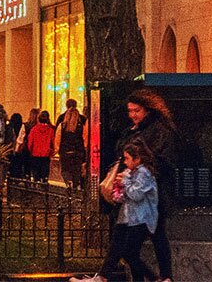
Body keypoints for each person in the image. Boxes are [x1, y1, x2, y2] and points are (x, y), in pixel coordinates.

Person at [74, 141, 160, 282]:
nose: (124, 162)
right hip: (130, 218)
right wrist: (118, 190)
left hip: (140, 219)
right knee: (129, 252)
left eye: (127, 158)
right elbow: (127, 196)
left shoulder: (144, 173)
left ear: (137, 159)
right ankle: (144, 279)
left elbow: (136, 195)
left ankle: (153, 278)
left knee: (129, 253)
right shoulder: (133, 172)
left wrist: (125, 182)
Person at [122, 88, 177, 281]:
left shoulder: (159, 130)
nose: (133, 115)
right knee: (152, 239)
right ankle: (162, 277)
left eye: (136, 111)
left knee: (140, 243)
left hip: (152, 195)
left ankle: (160, 277)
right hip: (146, 196)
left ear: (148, 110)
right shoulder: (137, 130)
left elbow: (160, 160)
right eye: (130, 111)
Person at [57, 100, 86, 191]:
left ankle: (69, 182)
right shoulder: (82, 122)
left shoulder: (62, 124)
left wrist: (57, 150)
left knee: (65, 170)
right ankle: (75, 185)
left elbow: (57, 138)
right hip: (78, 151)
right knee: (76, 170)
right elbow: (85, 138)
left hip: (65, 151)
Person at [26, 108, 56, 181]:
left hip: (35, 154)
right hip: (46, 154)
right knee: (44, 172)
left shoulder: (34, 129)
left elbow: (30, 142)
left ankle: (37, 184)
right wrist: (51, 152)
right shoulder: (50, 130)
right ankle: (44, 183)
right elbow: (53, 142)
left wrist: (31, 150)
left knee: (36, 173)